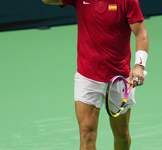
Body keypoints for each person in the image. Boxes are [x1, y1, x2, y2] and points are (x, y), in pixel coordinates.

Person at [42, 0, 149, 149]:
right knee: (86, 134)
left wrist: (139, 65)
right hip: (87, 77)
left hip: (119, 78)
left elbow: (141, 33)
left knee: (122, 135)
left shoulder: (127, 1)